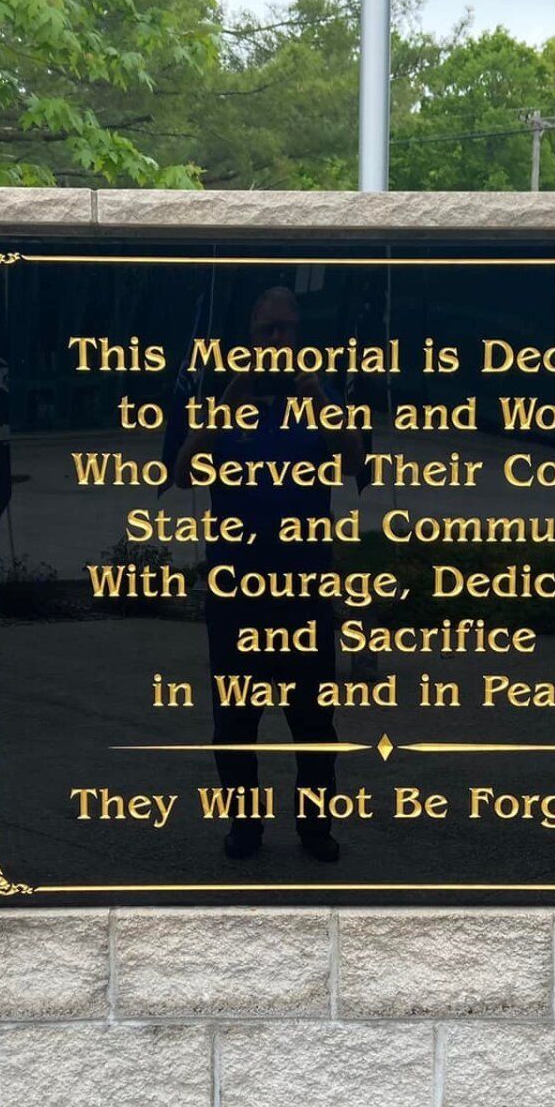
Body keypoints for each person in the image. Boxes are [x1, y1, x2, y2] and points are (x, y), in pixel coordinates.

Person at [175, 285, 369, 865]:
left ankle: (315, 830)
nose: (277, 340)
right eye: (267, 331)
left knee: (314, 725)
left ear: (299, 336)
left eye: (286, 329)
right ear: (250, 338)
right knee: (234, 722)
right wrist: (226, 405)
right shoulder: (225, 402)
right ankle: (245, 828)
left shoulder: (323, 397)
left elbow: (357, 464)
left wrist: (322, 407)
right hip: (235, 593)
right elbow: (182, 474)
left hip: (304, 590)